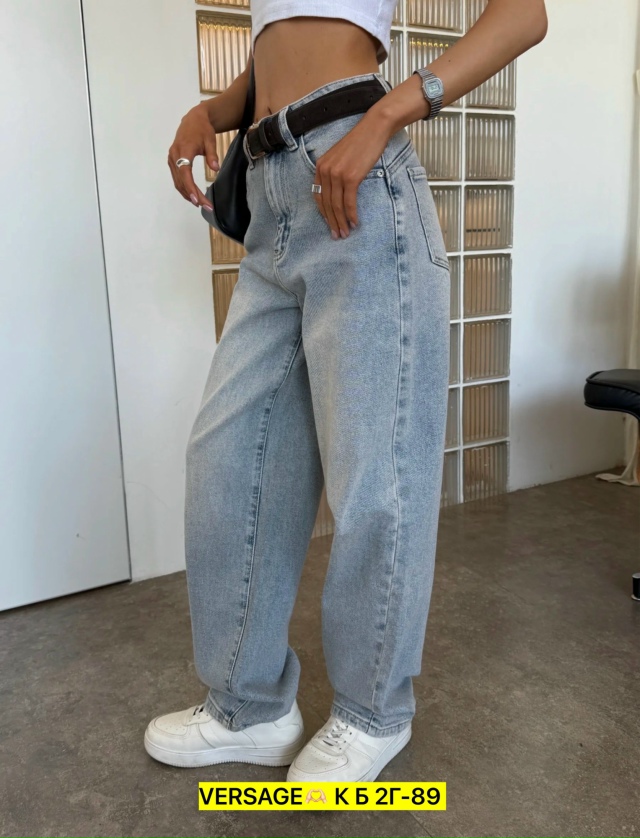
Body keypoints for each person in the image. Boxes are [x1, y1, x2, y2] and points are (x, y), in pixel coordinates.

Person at [144, 0, 548, 782]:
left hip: (356, 178)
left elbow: (524, 14)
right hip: (271, 192)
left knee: (376, 477)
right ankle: (250, 707)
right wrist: (214, 111)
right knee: (229, 462)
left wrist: (391, 112)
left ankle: (373, 713)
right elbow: (286, 35)